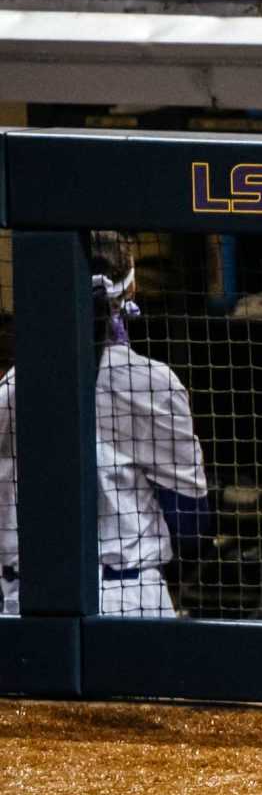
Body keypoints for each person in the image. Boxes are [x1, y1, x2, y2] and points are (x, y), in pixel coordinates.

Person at [0, 234, 210, 620]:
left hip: (26, 603)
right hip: (130, 601)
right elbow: (190, 521)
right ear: (130, 287)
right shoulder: (152, 381)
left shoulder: (13, 384)